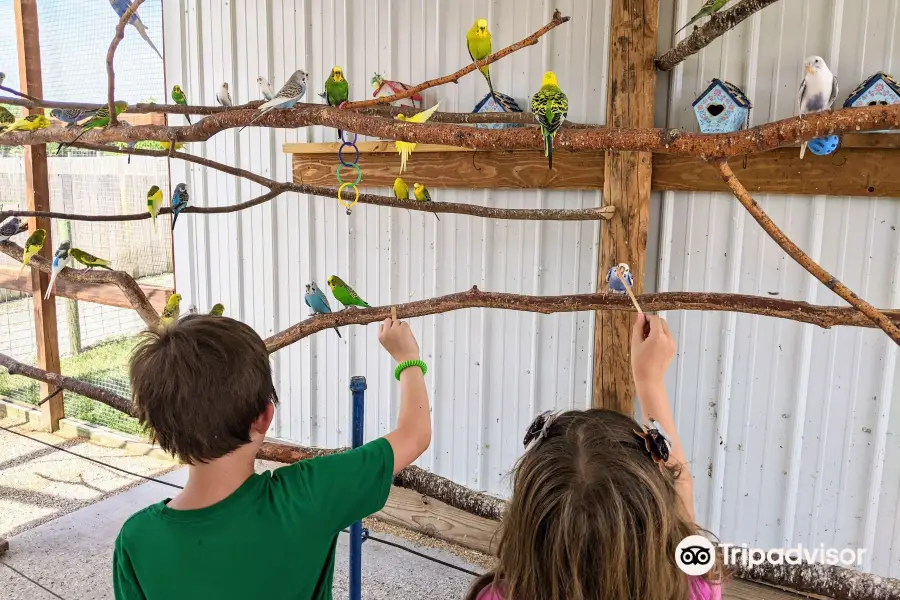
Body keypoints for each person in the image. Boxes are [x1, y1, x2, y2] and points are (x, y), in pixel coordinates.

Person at [114, 313, 430, 600]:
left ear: (157, 427)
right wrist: (407, 359)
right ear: (265, 416)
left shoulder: (136, 540)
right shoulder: (307, 496)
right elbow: (414, 435)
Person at [466, 314, 723, 600]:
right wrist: (649, 381)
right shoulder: (693, 590)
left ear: (528, 527)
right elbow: (681, 484)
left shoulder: (497, 597)